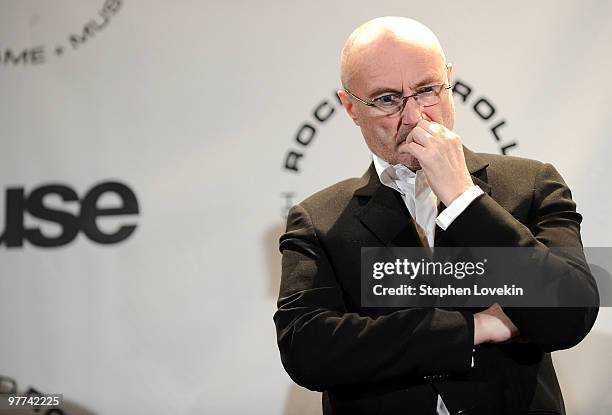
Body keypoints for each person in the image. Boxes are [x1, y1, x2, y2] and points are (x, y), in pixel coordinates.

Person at [273, 16, 598, 415]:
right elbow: (308, 348)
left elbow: (569, 316)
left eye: (427, 90)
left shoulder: (530, 183)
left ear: (448, 81)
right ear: (350, 108)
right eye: (388, 99)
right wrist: (473, 330)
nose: (415, 117)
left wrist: (463, 199)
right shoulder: (319, 218)